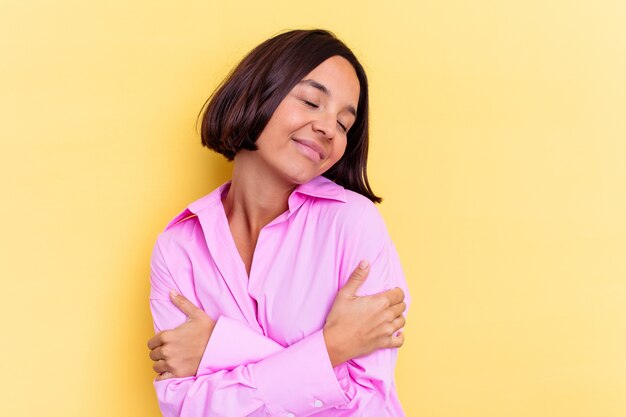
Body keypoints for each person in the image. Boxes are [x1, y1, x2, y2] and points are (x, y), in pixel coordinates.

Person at [147, 29, 411, 417]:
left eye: (344, 124)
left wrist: (219, 349)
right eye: (311, 101)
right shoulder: (177, 249)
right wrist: (334, 347)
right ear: (256, 94)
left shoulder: (353, 225)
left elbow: (366, 406)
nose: (328, 128)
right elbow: (188, 410)